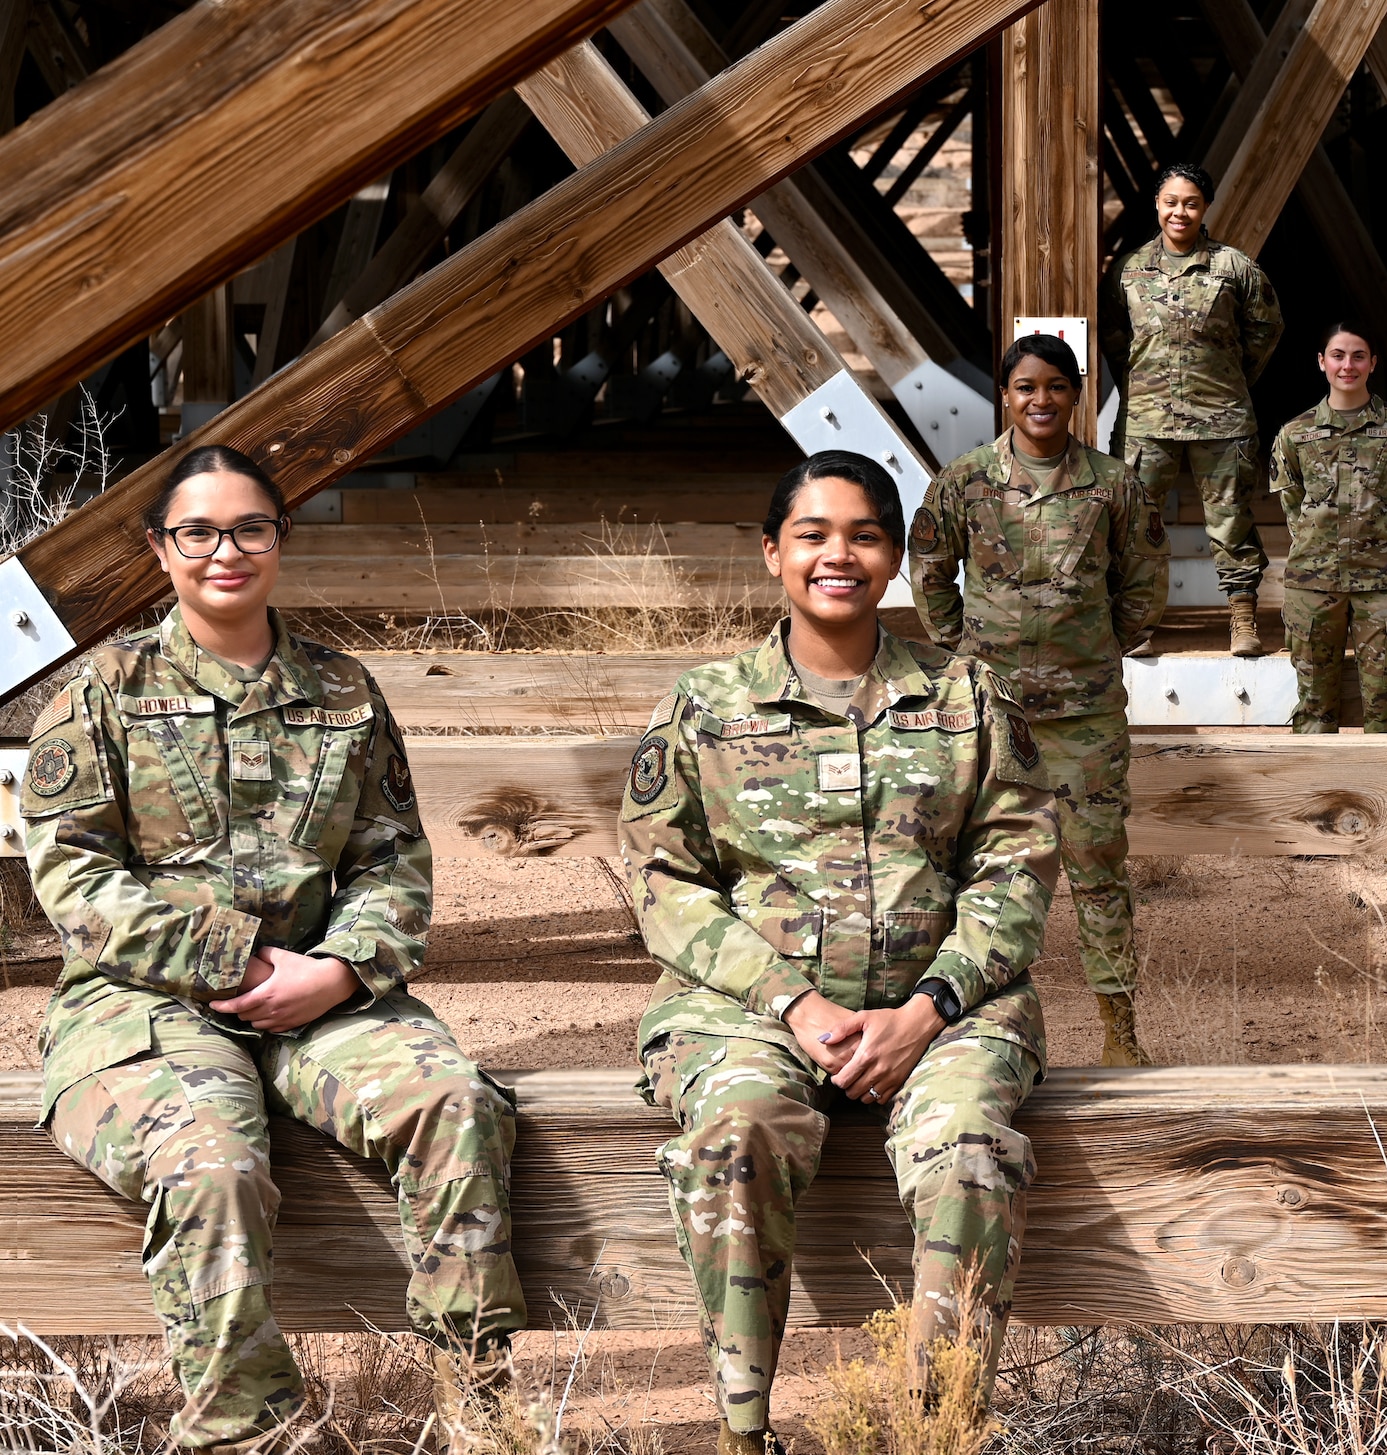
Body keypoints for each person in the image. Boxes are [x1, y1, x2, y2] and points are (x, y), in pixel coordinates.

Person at [24, 446, 523, 1450]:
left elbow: (394, 864)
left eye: (249, 527)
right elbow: (73, 879)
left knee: (457, 1106)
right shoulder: (103, 693)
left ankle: (477, 1406)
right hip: (144, 1005)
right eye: (197, 532)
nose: (225, 551)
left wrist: (337, 971)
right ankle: (249, 1433)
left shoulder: (342, 690)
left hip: (324, 997)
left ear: (279, 541)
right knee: (208, 1164)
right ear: (161, 550)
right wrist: (238, 964)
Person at [621, 451, 1061, 1455]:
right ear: (772, 553)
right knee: (737, 1136)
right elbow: (665, 887)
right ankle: (742, 1434)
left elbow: (1017, 869)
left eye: (863, 535)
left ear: (895, 557)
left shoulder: (966, 698)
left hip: (943, 1011)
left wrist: (928, 1011)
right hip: (747, 1015)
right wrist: (793, 1005)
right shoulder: (703, 707)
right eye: (812, 534)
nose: (838, 554)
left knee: (970, 1155)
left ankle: (933, 1430)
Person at [909, 333, 1169, 1066]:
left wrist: (1095, 647)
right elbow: (929, 571)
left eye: (1056, 386)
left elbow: (1145, 584)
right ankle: (950, 1027)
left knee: (1098, 872)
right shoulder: (964, 482)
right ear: (1006, 395)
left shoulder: (1114, 484)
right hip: (990, 718)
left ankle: (1120, 1033)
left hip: (1084, 720)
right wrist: (966, 650)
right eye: (1026, 387)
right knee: (962, 872)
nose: (1041, 400)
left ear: (1076, 394)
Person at [1102, 161, 1283, 658]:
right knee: (1137, 522)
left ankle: (1243, 619)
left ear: (1204, 208)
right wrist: (1139, 379)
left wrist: (1230, 375)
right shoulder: (1129, 271)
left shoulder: (1234, 267)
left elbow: (1266, 328)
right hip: (1148, 420)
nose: (1179, 211)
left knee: (1230, 522)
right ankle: (1135, 624)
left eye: (1190, 202)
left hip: (1222, 416)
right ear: (1156, 206)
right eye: (1171, 202)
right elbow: (1114, 334)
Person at [1268, 322, 1387, 733]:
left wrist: (1380, 547)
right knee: (1313, 709)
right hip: (1313, 583)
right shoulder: (1295, 433)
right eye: (1338, 356)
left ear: (1373, 363)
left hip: (1384, 583)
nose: (1348, 365)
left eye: (1358, 355)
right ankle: (1314, 793)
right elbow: (1293, 507)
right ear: (1321, 362)